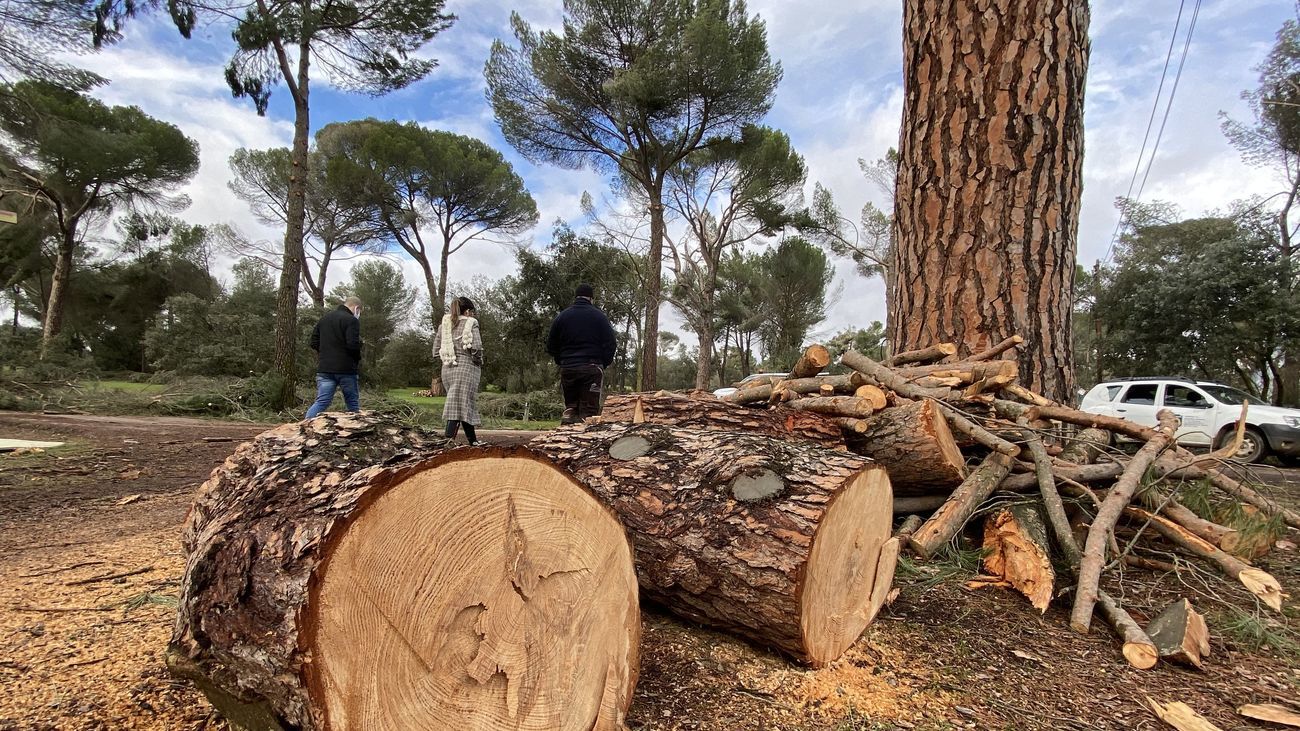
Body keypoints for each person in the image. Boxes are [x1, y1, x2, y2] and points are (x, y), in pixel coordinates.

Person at [546, 283, 617, 424]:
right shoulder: (599, 317)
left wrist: (562, 361)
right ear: (591, 299)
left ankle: (564, 439)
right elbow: (611, 343)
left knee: (571, 408)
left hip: (568, 369)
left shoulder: (562, 317)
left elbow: (551, 345)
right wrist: (603, 362)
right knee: (589, 413)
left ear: (576, 297)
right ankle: (585, 442)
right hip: (591, 369)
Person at [435, 296, 484, 444]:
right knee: (458, 407)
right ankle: (447, 443)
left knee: (462, 405)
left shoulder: (444, 325)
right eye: (472, 311)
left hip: (448, 369)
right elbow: (476, 347)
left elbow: (436, 350)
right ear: (468, 311)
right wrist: (478, 360)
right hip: (465, 369)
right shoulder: (471, 323)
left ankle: (473, 441)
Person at [305, 296, 363, 419]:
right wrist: (357, 359)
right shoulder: (352, 321)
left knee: (321, 402)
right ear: (356, 308)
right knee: (352, 404)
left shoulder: (324, 319)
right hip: (346, 369)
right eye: (359, 312)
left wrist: (326, 353)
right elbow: (353, 345)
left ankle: (304, 428)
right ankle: (356, 434)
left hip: (325, 368)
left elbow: (314, 342)